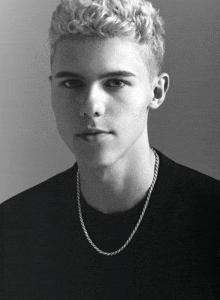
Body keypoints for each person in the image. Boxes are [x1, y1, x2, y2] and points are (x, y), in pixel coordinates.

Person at [1, 0, 220, 299]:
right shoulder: (12, 229)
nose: (91, 106)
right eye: (72, 84)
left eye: (115, 82)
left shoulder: (211, 221)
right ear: (51, 88)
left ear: (156, 92)